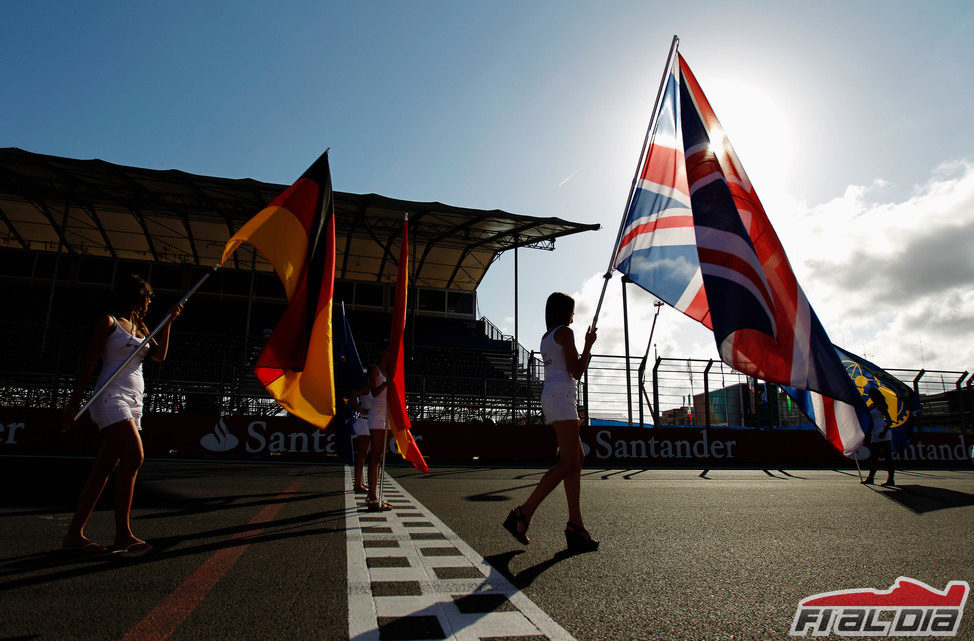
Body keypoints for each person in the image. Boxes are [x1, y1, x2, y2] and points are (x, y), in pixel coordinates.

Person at [61, 274, 182, 553]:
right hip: (110, 397)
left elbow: (159, 356)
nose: (150, 302)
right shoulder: (109, 322)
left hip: (134, 400)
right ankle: (123, 534)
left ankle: (73, 536)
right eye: (148, 297)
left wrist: (168, 323)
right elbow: (89, 366)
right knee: (134, 457)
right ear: (137, 297)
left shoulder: (141, 326)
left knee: (104, 468)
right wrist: (73, 406)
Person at [503, 292, 599, 552]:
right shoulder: (565, 333)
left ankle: (576, 525)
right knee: (569, 462)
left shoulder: (546, 336)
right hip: (561, 395)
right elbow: (577, 371)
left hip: (555, 395)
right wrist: (589, 344)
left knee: (575, 461)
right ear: (564, 311)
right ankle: (524, 513)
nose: (574, 315)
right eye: (572, 310)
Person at [365, 351, 392, 511]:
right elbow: (374, 392)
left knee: (380, 456)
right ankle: (372, 496)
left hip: (387, 413)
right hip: (377, 414)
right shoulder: (374, 369)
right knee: (375, 455)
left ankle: (375, 494)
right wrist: (386, 383)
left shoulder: (389, 371)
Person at [861, 387, 896, 487]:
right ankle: (870, 478)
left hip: (882, 432)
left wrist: (884, 432)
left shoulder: (881, 406)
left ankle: (890, 479)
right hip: (875, 433)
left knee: (887, 457)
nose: (870, 397)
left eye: (871, 395)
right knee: (874, 457)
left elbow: (889, 420)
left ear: (875, 396)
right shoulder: (872, 406)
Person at [350, 380, 372, 494]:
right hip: (364, 422)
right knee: (361, 454)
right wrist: (361, 410)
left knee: (364, 454)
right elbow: (352, 398)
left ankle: (360, 482)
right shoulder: (367, 388)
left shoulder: (376, 389)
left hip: (369, 423)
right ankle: (357, 484)